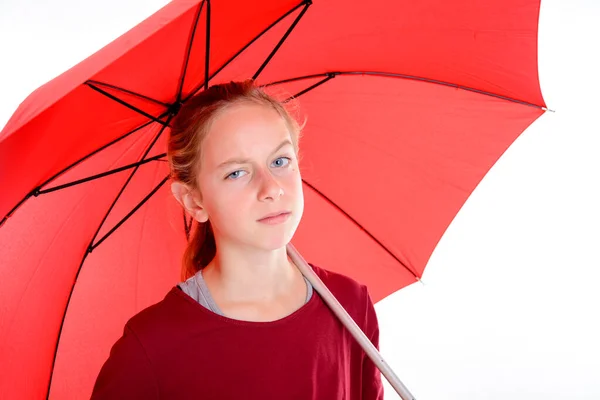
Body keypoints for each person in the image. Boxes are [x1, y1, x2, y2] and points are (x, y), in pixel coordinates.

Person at [91, 80, 384, 399]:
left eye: (280, 161)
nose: (271, 188)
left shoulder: (350, 304)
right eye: (236, 173)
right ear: (193, 201)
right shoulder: (150, 347)